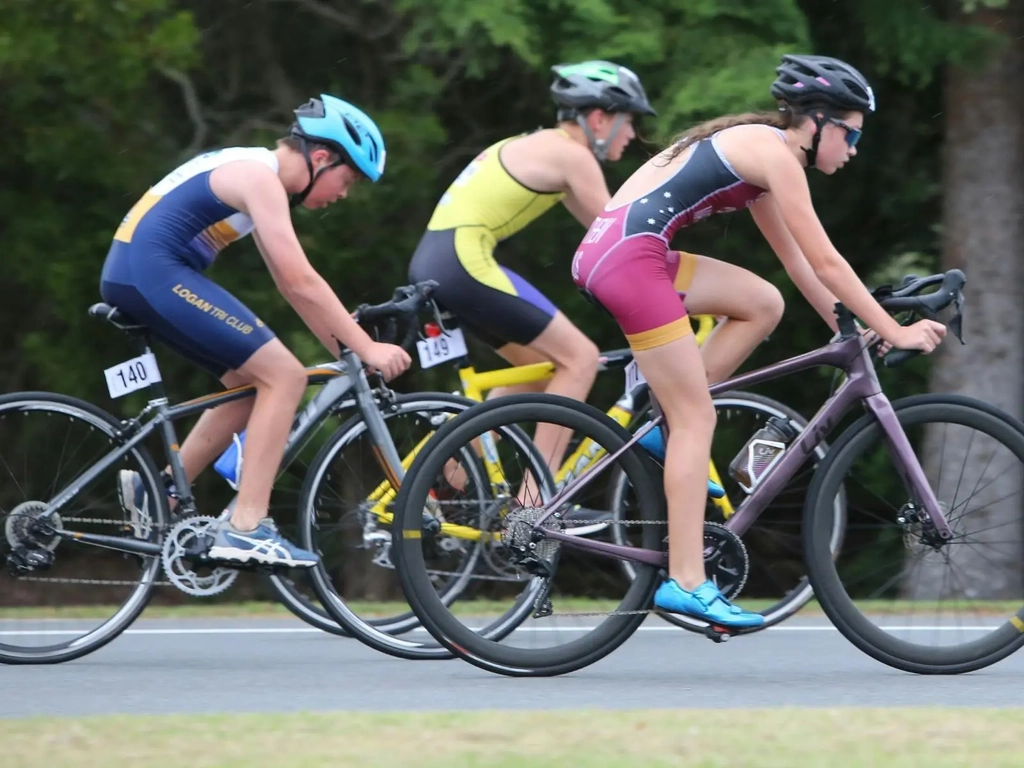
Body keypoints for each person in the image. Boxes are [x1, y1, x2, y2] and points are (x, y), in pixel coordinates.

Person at [571, 54, 947, 627]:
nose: (852, 151)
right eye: (851, 135)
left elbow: (800, 266)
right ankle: (688, 580)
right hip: (630, 261)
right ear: (816, 121)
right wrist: (895, 330)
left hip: (623, 254)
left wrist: (856, 331)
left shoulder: (765, 158)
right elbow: (828, 259)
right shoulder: (774, 153)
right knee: (697, 420)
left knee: (761, 302)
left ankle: (659, 417)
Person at [105, 94, 411, 568]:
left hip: (137, 272)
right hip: (152, 272)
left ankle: (155, 490)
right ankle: (246, 527)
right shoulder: (259, 179)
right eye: (348, 179)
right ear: (322, 157)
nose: (344, 193)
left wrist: (346, 347)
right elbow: (300, 279)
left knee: (249, 388)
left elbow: (294, 290)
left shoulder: (251, 171)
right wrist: (365, 345)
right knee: (285, 377)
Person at [408, 60, 656, 531]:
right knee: (580, 359)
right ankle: (533, 505)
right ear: (599, 118)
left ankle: (446, 467)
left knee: (541, 370)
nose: (632, 135)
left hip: (438, 262)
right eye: (630, 121)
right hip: (464, 261)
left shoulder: (534, 145)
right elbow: (619, 239)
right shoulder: (572, 155)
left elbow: (600, 237)